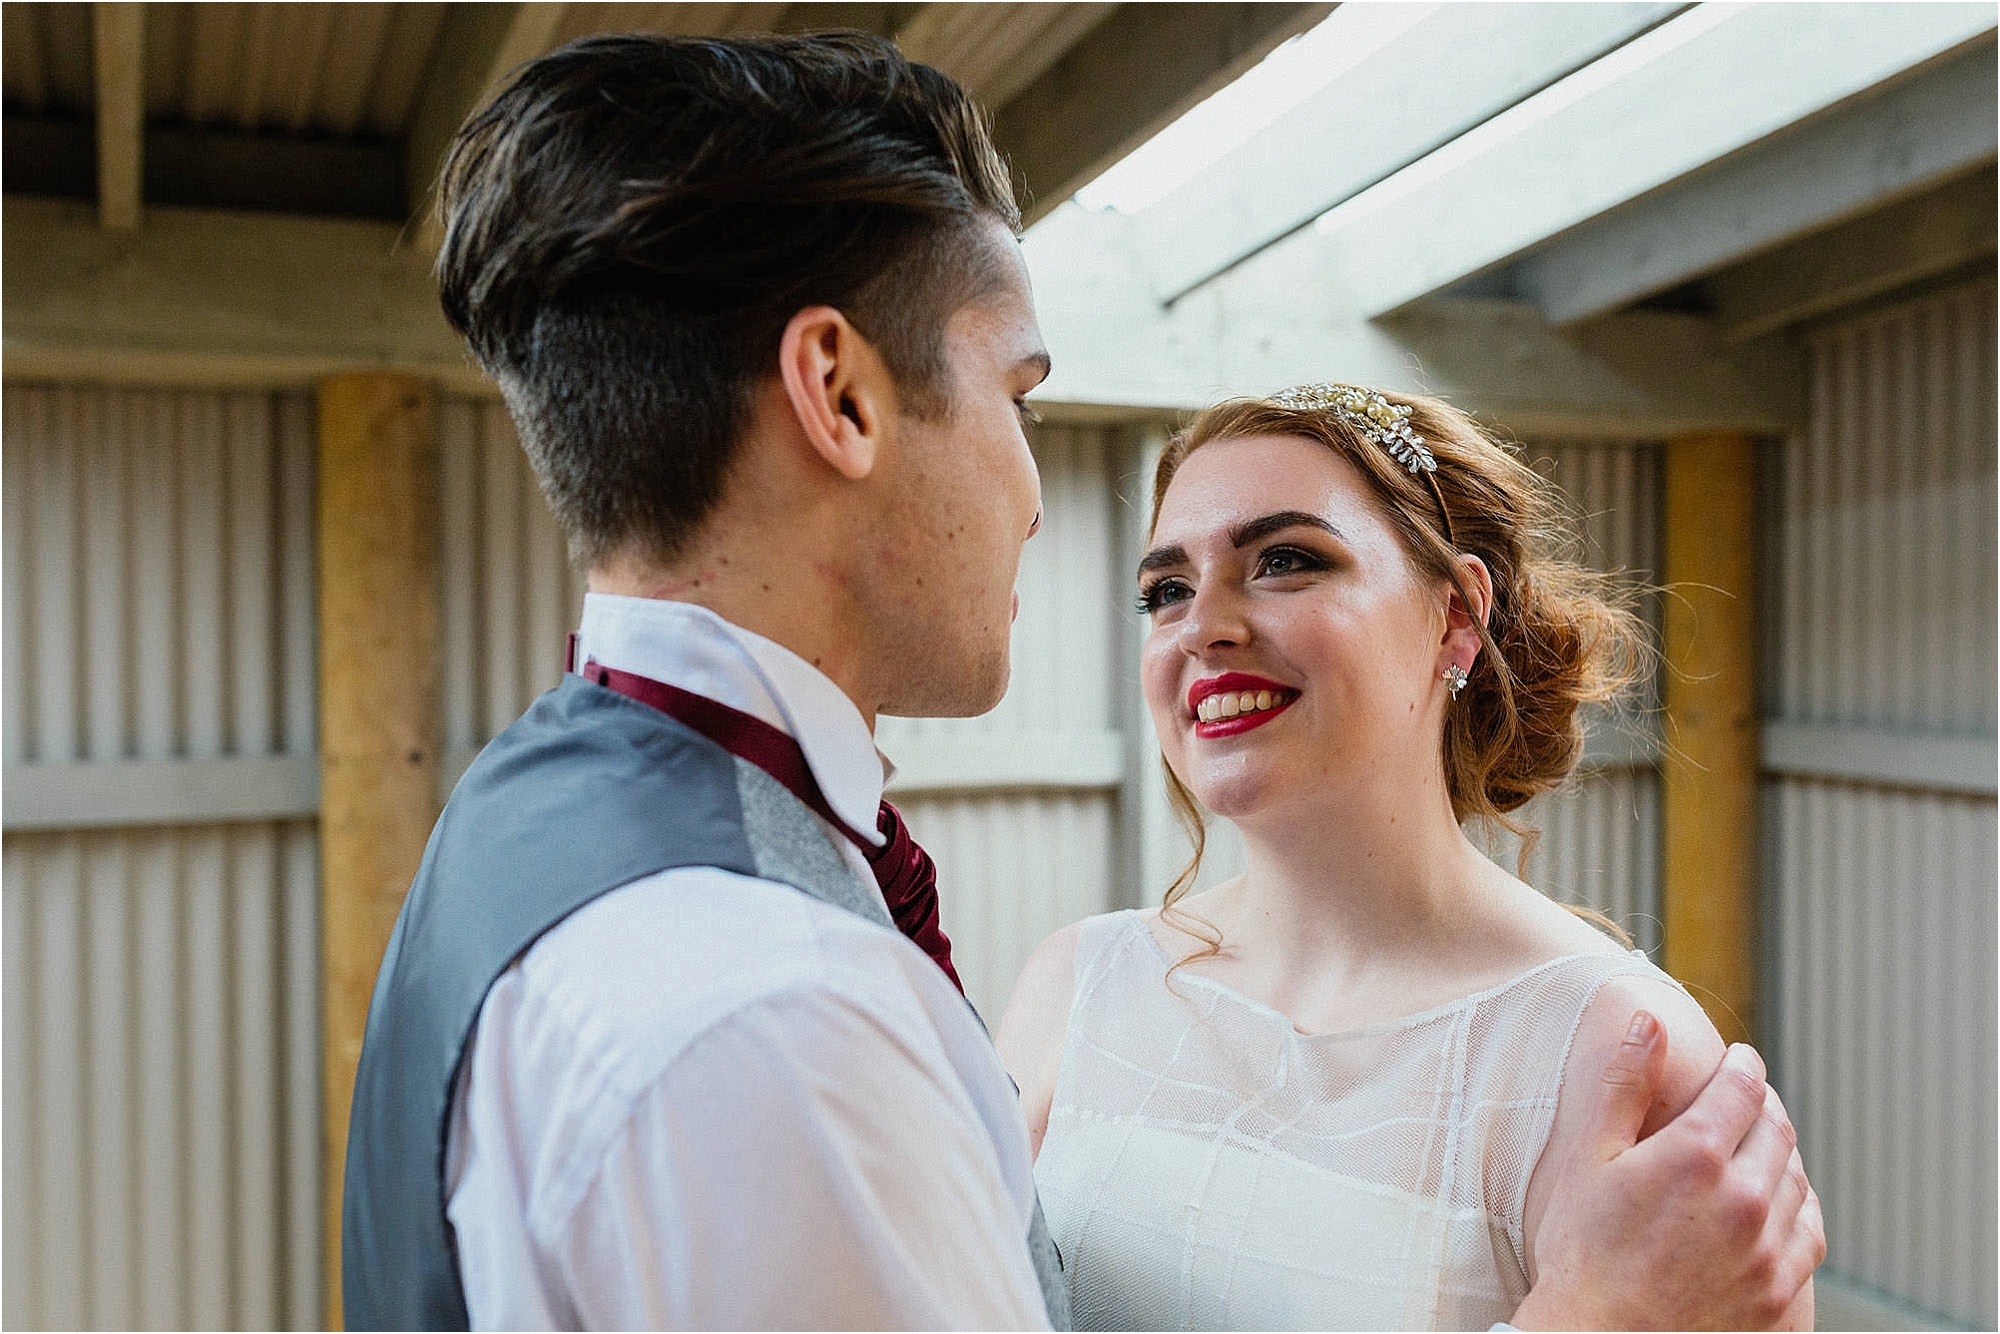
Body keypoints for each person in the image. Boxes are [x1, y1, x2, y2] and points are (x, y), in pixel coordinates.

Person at [340, 31, 1822, 1331]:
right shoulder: (797, 1008)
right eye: (1020, 395)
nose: (1043, 498)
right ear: (841, 396)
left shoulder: (522, 825)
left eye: (1288, 560)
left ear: (1456, 618)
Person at [998, 385, 1822, 1330]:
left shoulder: (1615, 1055)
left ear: (1454, 617)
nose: (1202, 627)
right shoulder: (1077, 986)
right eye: (1167, 590)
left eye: (1284, 561)